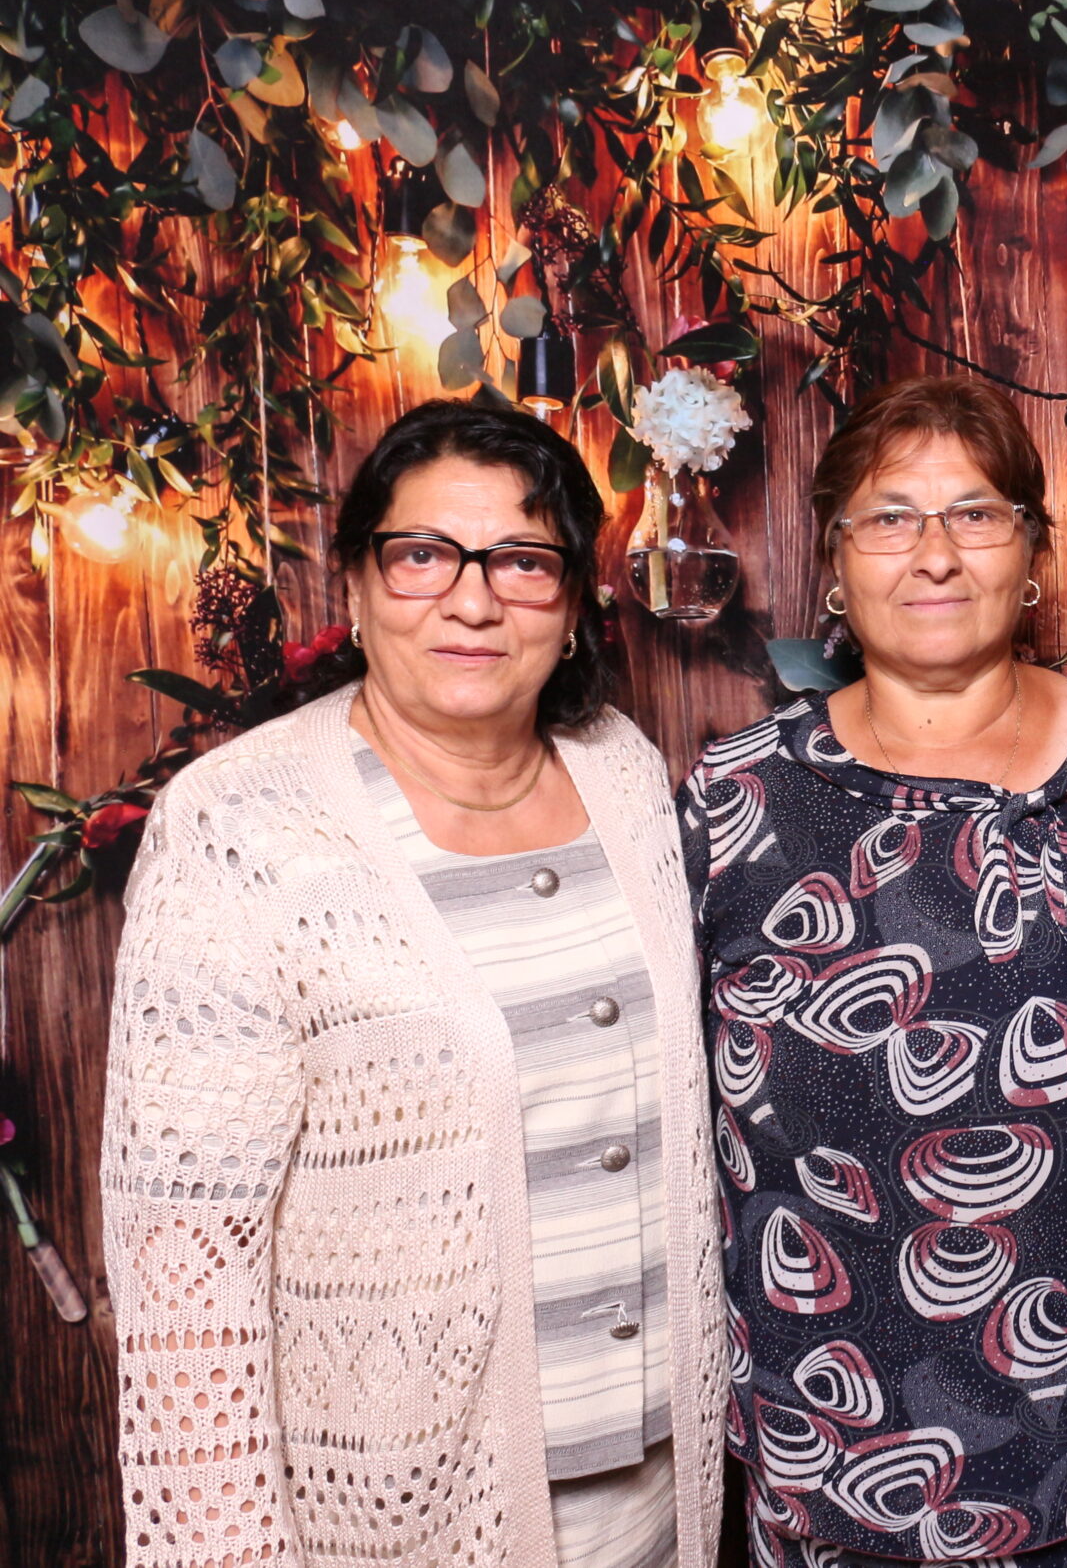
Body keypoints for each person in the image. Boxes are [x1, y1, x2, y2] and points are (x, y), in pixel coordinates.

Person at [101, 401, 727, 1568]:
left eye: (524, 561)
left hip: (654, 1499)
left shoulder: (625, 776)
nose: (473, 600)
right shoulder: (238, 828)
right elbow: (187, 1255)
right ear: (356, 583)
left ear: (573, 604)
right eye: (424, 554)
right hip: (400, 1521)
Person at [682, 375, 1067, 1568]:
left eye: (975, 514)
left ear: (1031, 552)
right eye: (890, 518)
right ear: (836, 563)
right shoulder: (735, 803)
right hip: (836, 1476)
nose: (934, 554)